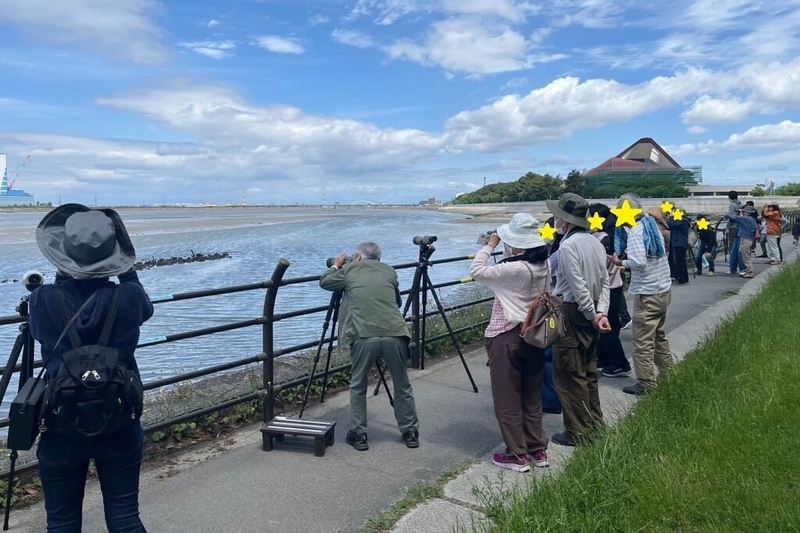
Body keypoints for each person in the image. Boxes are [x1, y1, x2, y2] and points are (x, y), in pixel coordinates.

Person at [28, 204, 154, 532]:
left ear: (63, 255)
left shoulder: (41, 299)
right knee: (125, 517)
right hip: (118, 416)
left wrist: (61, 274)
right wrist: (126, 268)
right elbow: (145, 307)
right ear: (113, 254)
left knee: (61, 522)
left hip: (62, 421)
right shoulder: (129, 297)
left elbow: (39, 329)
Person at [319, 241, 419, 451]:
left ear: (357, 257)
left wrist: (337, 265)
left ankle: (359, 434)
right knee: (402, 384)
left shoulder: (350, 269)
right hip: (396, 333)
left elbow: (325, 282)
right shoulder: (389, 270)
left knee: (358, 385)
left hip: (364, 334)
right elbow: (397, 302)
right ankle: (410, 431)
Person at [470, 213, 550, 472]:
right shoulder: (543, 264)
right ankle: (537, 448)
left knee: (507, 398)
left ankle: (517, 454)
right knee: (531, 395)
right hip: (534, 335)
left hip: (507, 335)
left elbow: (476, 270)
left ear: (515, 242)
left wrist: (489, 245)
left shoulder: (512, 269)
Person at [546, 193, 611, 446]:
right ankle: (594, 422)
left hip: (572, 311)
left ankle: (578, 431)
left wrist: (592, 314)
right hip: (591, 309)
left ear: (565, 219)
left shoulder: (568, 246)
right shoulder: (595, 242)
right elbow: (604, 281)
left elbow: (576, 285)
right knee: (588, 370)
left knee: (569, 373)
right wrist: (600, 311)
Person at [610, 195, 672, 396]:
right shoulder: (651, 226)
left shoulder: (636, 232)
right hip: (663, 288)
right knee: (659, 337)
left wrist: (619, 263)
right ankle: (669, 374)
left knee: (643, 341)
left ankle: (646, 382)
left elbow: (639, 262)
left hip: (648, 293)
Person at [588, 203, 631, 378]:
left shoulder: (603, 239)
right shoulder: (611, 236)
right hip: (614, 287)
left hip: (608, 289)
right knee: (606, 329)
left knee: (608, 329)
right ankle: (605, 361)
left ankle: (619, 364)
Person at [723, 206, 758, 277]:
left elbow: (736, 218)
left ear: (748, 213)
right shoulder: (752, 220)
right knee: (745, 256)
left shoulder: (747, 219)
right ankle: (747, 271)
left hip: (745, 240)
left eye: (744, 211)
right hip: (748, 239)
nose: (743, 212)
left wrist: (725, 214)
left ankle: (749, 272)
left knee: (746, 258)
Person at [667, 208, 690, 285]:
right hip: (679, 242)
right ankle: (683, 277)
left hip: (679, 242)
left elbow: (670, 225)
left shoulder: (683, 221)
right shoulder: (684, 221)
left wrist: (671, 217)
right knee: (680, 261)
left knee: (680, 261)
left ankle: (682, 278)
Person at [727, 191, 745, 274]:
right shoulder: (740, 204)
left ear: (729, 197)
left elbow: (731, 217)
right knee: (739, 249)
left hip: (733, 228)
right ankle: (740, 267)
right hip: (740, 228)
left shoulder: (732, 205)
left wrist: (728, 227)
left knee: (733, 249)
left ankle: (733, 268)